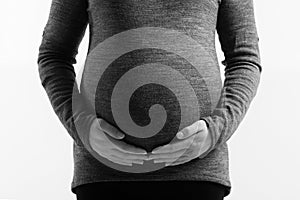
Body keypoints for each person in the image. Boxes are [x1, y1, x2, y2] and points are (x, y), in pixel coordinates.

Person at [37, 0, 262, 199]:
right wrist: (82, 127)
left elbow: (244, 59)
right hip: (104, 172)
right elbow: (53, 55)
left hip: (197, 170)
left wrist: (216, 131)